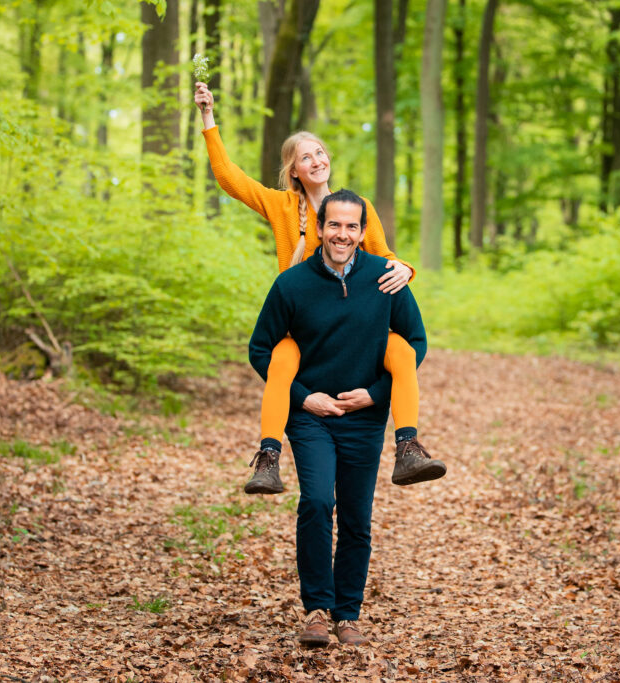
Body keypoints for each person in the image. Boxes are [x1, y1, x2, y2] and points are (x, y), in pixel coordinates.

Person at [194, 81, 445, 493]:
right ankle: (269, 458)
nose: (315, 160)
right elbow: (228, 177)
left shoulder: (354, 208)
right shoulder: (281, 207)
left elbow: (384, 256)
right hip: (304, 326)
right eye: (304, 156)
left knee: (400, 348)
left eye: (320, 152)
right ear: (294, 169)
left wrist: (407, 270)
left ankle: (408, 448)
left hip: (357, 327)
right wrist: (208, 116)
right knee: (279, 357)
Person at [249, 190, 440, 646]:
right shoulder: (291, 285)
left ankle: (347, 613)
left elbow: (415, 342)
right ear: (319, 228)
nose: (343, 234)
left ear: (362, 230)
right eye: (334, 225)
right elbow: (261, 349)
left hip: (364, 418)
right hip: (311, 417)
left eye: (352, 226)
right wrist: (303, 397)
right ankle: (316, 609)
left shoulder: (385, 279)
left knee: (356, 517)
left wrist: (374, 396)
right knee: (316, 502)